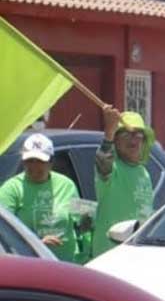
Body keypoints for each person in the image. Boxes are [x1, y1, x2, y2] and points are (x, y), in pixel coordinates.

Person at [0, 134, 82, 263]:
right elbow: (4, 234)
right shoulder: (11, 189)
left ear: (51, 162)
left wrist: (88, 220)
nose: (34, 166)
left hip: (68, 264)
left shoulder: (66, 185)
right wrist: (37, 244)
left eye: (40, 161)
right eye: (29, 161)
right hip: (31, 265)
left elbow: (82, 220)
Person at [92, 106, 156, 258]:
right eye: (126, 133)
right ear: (116, 139)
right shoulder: (113, 167)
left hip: (137, 254)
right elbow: (103, 161)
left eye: (138, 134)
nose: (133, 138)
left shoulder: (143, 173)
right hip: (110, 255)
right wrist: (108, 133)